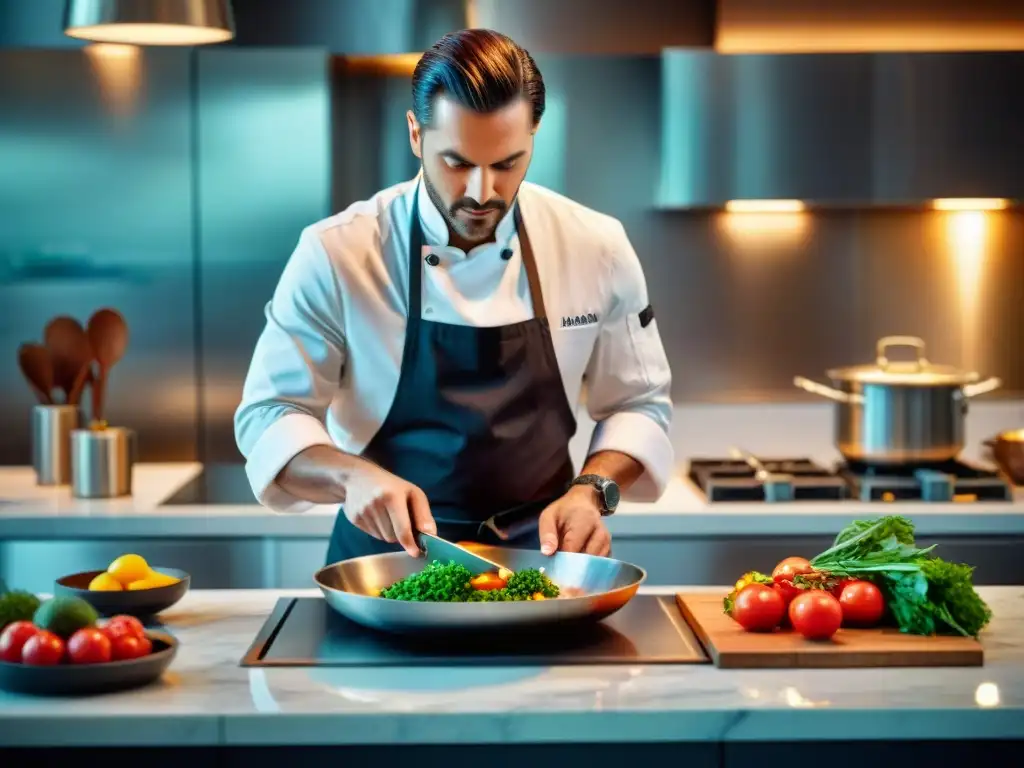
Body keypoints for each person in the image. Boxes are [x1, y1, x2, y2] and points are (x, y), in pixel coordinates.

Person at [234, 28, 673, 566]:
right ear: (416, 135)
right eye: (458, 162)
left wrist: (592, 490)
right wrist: (351, 476)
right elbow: (269, 412)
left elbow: (638, 403)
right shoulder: (338, 251)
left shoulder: (594, 245)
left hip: (543, 562)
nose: (481, 192)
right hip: (382, 564)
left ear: (534, 134)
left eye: (508, 163)